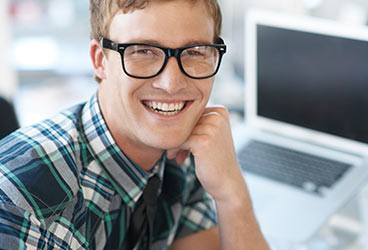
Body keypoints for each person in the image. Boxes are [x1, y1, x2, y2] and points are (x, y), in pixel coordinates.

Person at [0, 0, 269, 249]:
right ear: (99, 60)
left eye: (194, 51)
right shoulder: (20, 199)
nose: (172, 83)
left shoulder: (189, 151)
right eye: (143, 51)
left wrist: (233, 196)